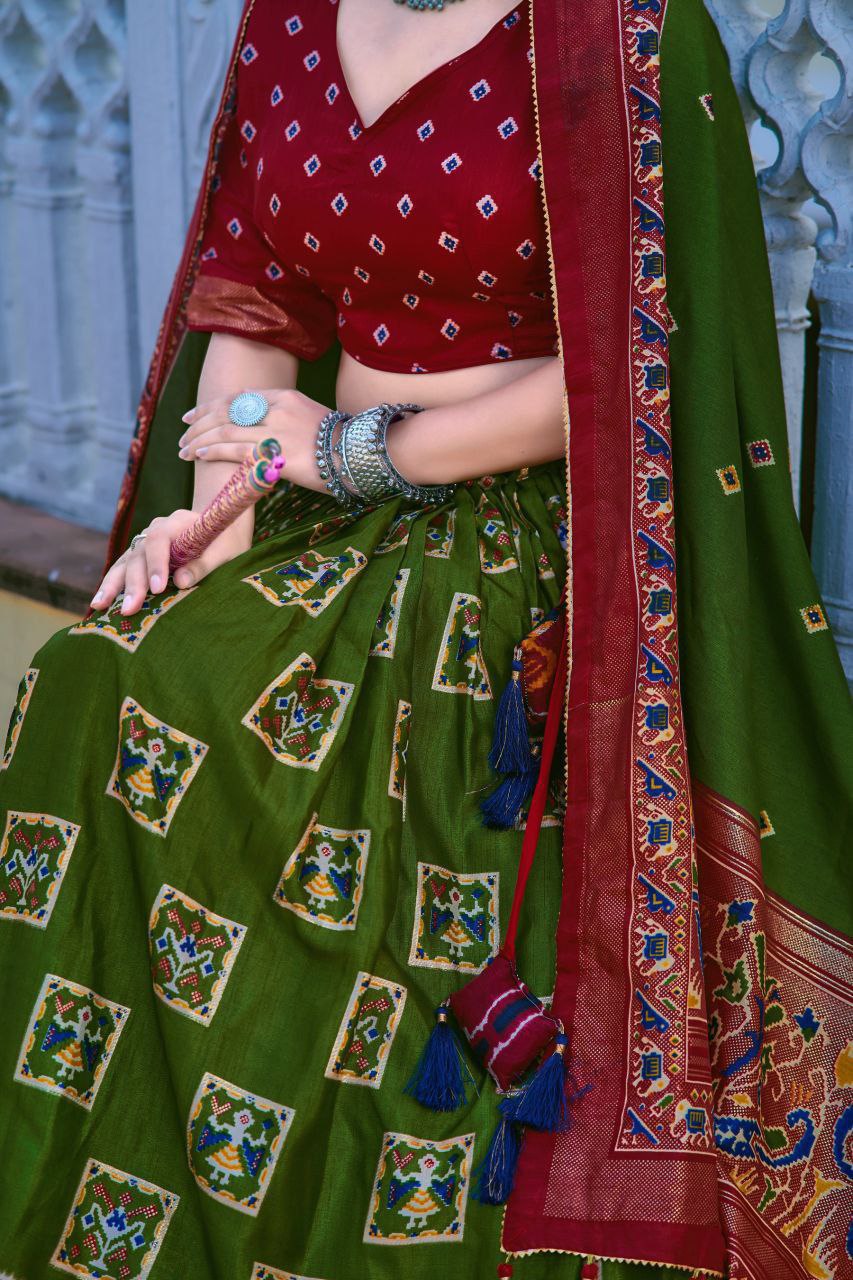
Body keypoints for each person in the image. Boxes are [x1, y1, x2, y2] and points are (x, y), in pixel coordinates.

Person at [1, 2, 850, 1279]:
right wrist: (206, 527)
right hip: (306, 507)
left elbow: (628, 359)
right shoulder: (288, 19)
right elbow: (261, 302)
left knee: (404, 766)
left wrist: (351, 454)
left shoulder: (620, 36)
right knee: (107, 677)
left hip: (530, 529)